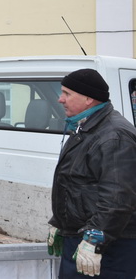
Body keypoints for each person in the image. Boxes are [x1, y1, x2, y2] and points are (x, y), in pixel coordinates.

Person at [47, 68, 136, 278]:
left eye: (67, 93)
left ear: (88, 99)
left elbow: (118, 198)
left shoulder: (115, 136)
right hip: (81, 239)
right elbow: (75, 184)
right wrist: (59, 222)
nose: (60, 99)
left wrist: (96, 239)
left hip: (108, 247)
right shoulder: (86, 128)